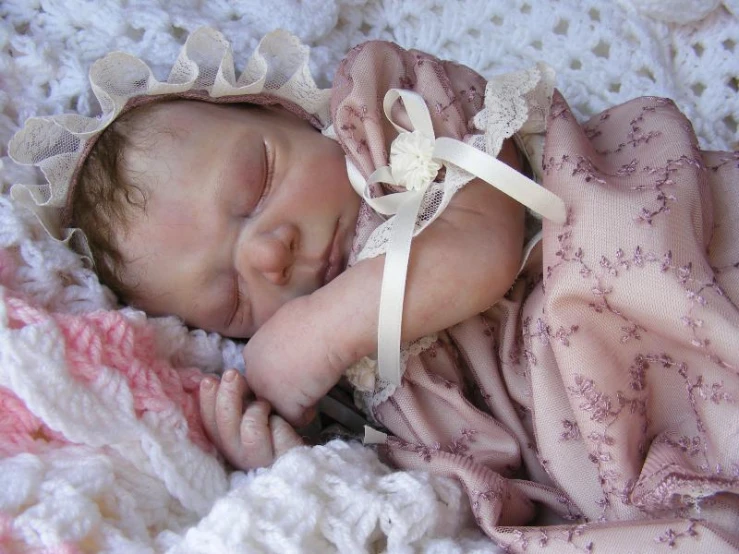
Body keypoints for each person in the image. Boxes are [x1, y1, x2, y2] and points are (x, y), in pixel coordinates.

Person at [9, 28, 739, 552]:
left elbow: (478, 252)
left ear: (285, 112)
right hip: (645, 455)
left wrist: (310, 337)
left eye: (257, 182)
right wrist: (288, 459)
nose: (267, 252)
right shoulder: (354, 386)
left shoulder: (392, 127)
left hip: (662, 274)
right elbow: (430, 487)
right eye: (229, 296)